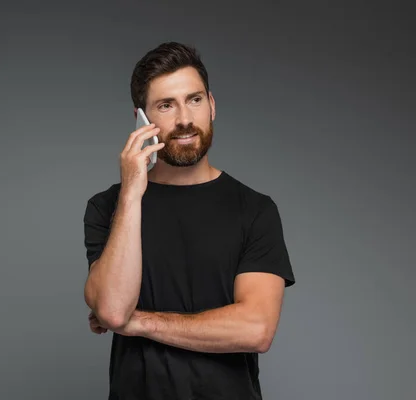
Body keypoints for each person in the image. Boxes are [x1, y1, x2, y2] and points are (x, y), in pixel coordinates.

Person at [82, 42, 296, 400]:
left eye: (194, 100)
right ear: (142, 119)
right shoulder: (108, 207)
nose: (184, 118)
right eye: (166, 105)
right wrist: (132, 192)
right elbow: (113, 309)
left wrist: (139, 322)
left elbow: (256, 329)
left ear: (211, 105)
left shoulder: (255, 210)